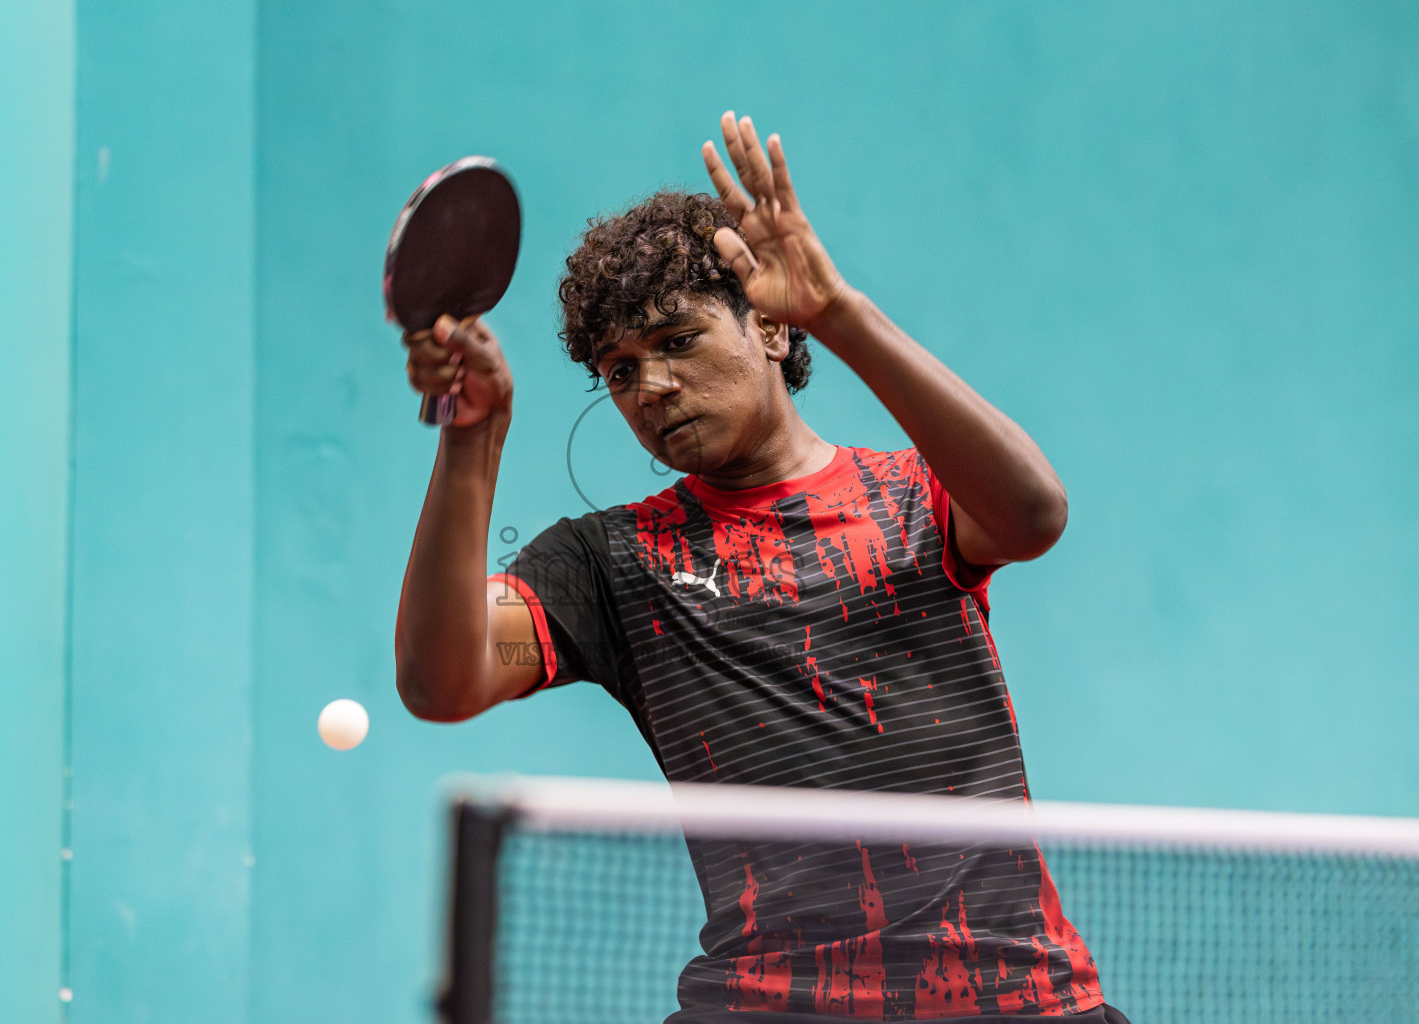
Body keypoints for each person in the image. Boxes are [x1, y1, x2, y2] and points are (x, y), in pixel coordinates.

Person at [395, 112, 1129, 1023]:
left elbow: (1032, 514)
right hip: (768, 1008)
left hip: (1013, 1000)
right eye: (619, 371)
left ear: (772, 333)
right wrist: (474, 438)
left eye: (677, 341)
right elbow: (444, 678)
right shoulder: (611, 566)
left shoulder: (912, 497)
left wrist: (839, 311)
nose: (651, 386)